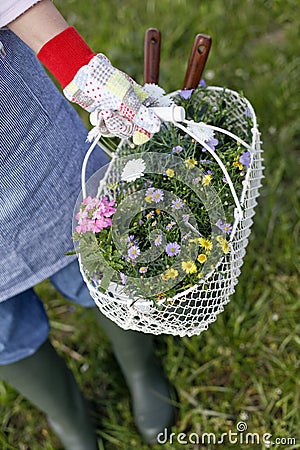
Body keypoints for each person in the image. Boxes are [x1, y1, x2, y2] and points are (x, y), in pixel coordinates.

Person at [0, 1, 175, 449]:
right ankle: (68, 417)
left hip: (28, 149)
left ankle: (140, 368)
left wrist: (81, 70)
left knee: (99, 255)